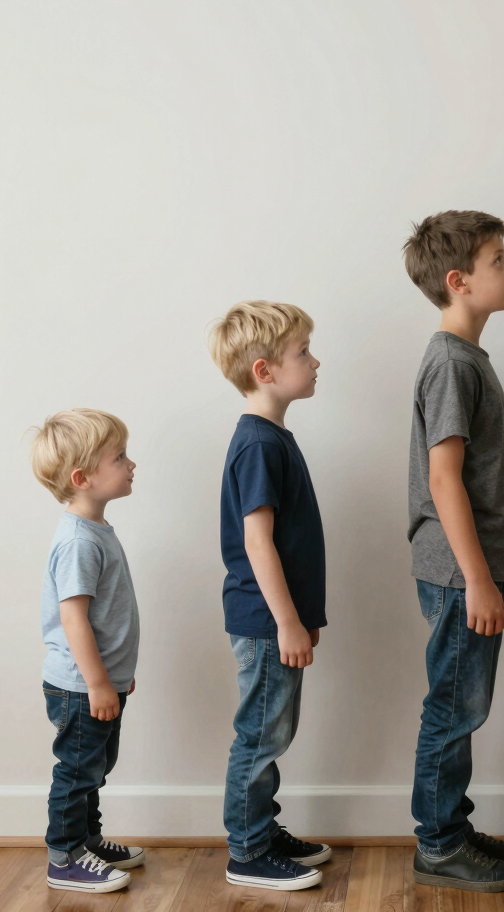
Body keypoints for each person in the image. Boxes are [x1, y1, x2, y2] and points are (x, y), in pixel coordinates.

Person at [402, 210, 504, 893]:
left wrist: (495, 572)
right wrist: (477, 579)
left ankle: (452, 823)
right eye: (499, 261)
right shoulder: (451, 364)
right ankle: (439, 841)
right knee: (454, 706)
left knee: (463, 702)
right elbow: (443, 477)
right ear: (460, 281)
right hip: (457, 575)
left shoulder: (466, 359)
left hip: (471, 572)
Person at [208, 301, 331, 891]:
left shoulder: (272, 437)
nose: (314, 362)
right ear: (265, 370)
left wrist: (302, 618)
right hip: (264, 621)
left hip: (277, 620)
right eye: (302, 353)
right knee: (260, 733)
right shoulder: (259, 443)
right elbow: (258, 545)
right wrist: (287, 622)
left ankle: (263, 827)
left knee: (272, 730)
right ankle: (248, 851)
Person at [31, 409, 144, 893]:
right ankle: (64, 856)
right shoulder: (78, 540)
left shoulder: (95, 531)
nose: (131, 464)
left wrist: (115, 675)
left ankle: (87, 839)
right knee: (77, 771)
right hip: (81, 685)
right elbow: (74, 619)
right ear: (83, 478)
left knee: (94, 768)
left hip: (99, 681)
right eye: (119, 457)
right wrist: (99, 682)